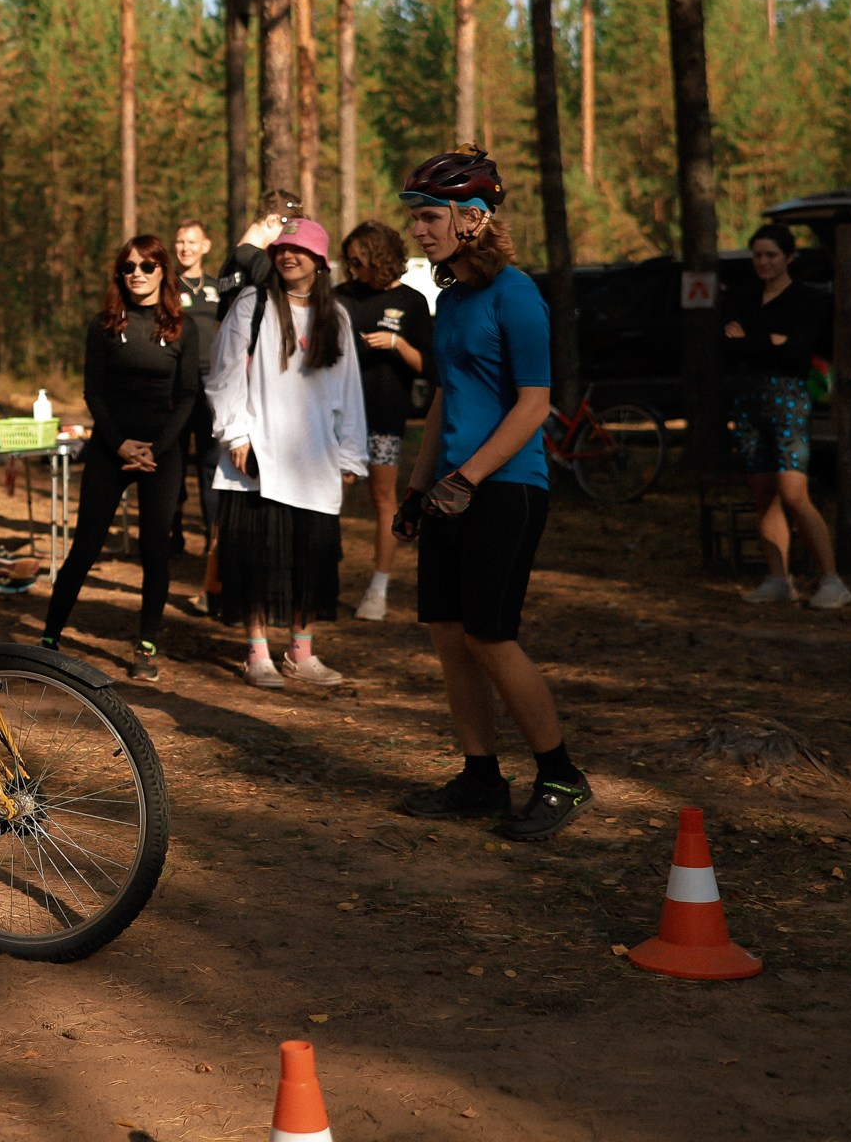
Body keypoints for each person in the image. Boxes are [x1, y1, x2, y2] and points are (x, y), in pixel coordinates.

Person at [393, 145, 590, 842]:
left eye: (428, 217)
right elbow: (449, 394)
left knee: (490, 634)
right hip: (449, 489)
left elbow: (536, 405)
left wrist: (468, 477)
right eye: (415, 217)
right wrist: (418, 487)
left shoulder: (516, 294)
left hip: (506, 488)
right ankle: (480, 776)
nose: (418, 229)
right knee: (448, 634)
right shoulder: (449, 298)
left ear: (473, 218)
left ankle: (562, 776)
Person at [208, 220, 368, 687]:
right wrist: (235, 435)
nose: (287, 257)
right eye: (281, 250)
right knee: (256, 559)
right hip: (257, 458)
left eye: (299, 250)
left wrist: (351, 455)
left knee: (311, 560)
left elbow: (349, 388)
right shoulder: (252, 305)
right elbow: (224, 375)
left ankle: (301, 652)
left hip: (315, 459)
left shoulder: (334, 315)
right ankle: (257, 653)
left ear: (319, 262)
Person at [40, 235, 203, 683]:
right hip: (112, 448)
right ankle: (50, 639)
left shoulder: (183, 328)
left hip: (161, 453)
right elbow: (94, 391)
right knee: (85, 547)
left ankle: (146, 646)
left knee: (155, 551)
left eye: (147, 266)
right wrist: (120, 445)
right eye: (129, 267)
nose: (137, 273)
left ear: (163, 272)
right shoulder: (104, 325)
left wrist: (158, 448)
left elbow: (188, 394)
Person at [724, 223, 851, 608]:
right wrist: (768, 343)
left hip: (789, 401)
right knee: (763, 492)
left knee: (794, 494)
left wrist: (749, 341)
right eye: (758, 255)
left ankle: (831, 579)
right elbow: (725, 345)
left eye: (771, 255)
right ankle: (778, 578)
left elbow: (797, 353)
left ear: (789, 258)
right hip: (749, 403)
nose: (763, 262)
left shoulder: (807, 300)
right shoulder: (745, 299)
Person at [335, 221, 432, 621]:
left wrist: (396, 343)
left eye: (359, 260)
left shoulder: (411, 302)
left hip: (385, 415)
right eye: (349, 260)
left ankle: (378, 590)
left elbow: (428, 365)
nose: (352, 267)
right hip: (338, 418)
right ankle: (321, 578)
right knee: (329, 498)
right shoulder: (340, 297)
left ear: (380, 257)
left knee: (382, 498)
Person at [167, 219, 220, 563]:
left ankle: (213, 538)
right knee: (171, 461)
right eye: (180, 242)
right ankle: (171, 534)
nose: (185, 248)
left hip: (213, 386)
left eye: (191, 242)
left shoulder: (219, 287)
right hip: (175, 386)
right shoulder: (166, 286)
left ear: (206, 246)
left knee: (211, 463)